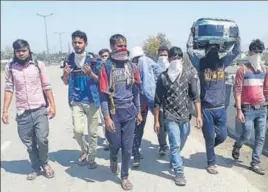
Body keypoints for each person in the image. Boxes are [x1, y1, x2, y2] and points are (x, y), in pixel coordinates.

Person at [187, 28, 241, 174]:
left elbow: (236, 52)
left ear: (218, 51)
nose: (213, 52)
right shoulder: (201, 65)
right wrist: (192, 34)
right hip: (206, 109)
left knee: (222, 136)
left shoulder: (222, 63)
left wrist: (237, 37)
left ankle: (209, 148)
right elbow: (190, 51)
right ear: (206, 51)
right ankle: (211, 162)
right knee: (209, 136)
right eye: (210, 49)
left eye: (215, 49)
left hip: (221, 108)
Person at [2, 39, 56, 180]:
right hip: (22, 112)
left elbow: (47, 86)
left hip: (39, 109)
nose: (21, 53)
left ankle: (45, 164)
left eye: (23, 50)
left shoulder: (38, 65)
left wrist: (53, 105)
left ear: (29, 49)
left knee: (42, 139)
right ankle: (35, 167)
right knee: (30, 144)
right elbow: (9, 89)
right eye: (18, 51)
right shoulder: (10, 67)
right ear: (15, 52)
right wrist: (5, 111)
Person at [99, 34, 142, 190]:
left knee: (127, 146)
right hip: (113, 111)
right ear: (111, 47)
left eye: (124, 45)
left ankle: (124, 176)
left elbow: (136, 90)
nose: (122, 48)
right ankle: (112, 156)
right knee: (115, 143)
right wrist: (107, 117)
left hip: (129, 111)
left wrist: (138, 111)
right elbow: (103, 95)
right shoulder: (106, 67)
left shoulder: (132, 66)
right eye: (118, 45)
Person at [154, 46, 202, 186]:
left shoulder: (189, 75)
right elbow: (157, 101)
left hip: (186, 116)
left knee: (181, 142)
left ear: (182, 59)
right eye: (173, 58)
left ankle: (174, 160)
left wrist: (198, 116)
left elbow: (196, 96)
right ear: (168, 59)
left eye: (178, 58)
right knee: (174, 144)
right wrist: (156, 121)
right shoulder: (163, 77)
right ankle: (179, 172)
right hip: (170, 116)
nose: (176, 60)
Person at [61, 30, 101, 169]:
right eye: (74, 42)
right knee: (78, 131)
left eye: (80, 42)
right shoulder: (69, 60)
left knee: (93, 132)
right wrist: (66, 75)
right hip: (76, 100)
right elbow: (66, 82)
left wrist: (91, 73)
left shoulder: (94, 59)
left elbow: (101, 81)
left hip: (92, 100)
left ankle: (92, 158)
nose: (77, 45)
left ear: (86, 43)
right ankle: (84, 150)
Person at [232, 39, 268, 175]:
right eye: (255, 52)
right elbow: (237, 90)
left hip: (262, 108)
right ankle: (237, 145)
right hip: (247, 108)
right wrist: (239, 110)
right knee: (246, 135)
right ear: (249, 53)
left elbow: (266, 89)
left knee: (260, 138)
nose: (258, 55)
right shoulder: (242, 70)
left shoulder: (264, 70)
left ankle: (255, 163)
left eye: (260, 52)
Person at [130, 46, 162, 167]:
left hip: (142, 104)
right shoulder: (148, 62)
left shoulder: (143, 62)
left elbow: (146, 87)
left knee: (138, 129)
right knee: (136, 130)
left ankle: (135, 151)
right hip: (139, 104)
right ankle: (135, 153)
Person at [155, 45, 170, 156]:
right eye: (161, 55)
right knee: (160, 123)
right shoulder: (154, 67)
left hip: (171, 101)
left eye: (165, 55)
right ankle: (162, 145)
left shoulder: (172, 67)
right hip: (159, 100)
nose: (163, 57)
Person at [98, 48, 111, 151]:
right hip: (101, 97)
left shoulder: (112, 67)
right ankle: (108, 140)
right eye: (103, 56)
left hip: (112, 97)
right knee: (104, 120)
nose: (105, 58)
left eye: (106, 56)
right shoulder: (98, 67)